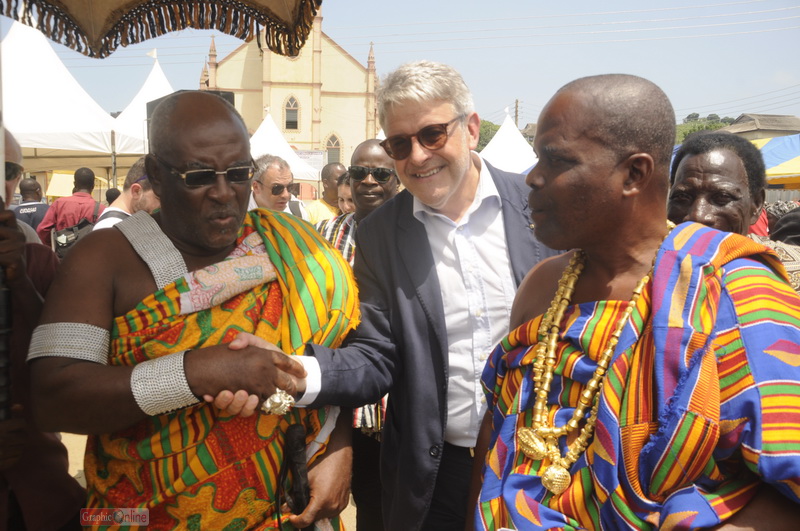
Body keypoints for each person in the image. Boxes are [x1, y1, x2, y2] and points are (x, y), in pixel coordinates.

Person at [469, 74, 800, 530]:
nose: (533, 176)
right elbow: (497, 437)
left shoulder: (734, 288)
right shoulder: (543, 286)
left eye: (557, 160)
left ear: (635, 174)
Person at [27, 91, 359, 529]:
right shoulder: (104, 259)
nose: (224, 194)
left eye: (239, 174)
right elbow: (52, 397)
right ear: (156, 177)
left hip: (288, 510)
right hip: (137, 515)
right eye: (200, 176)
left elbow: (348, 361)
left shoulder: (291, 248)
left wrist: (339, 444)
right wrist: (195, 372)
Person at [280, 60, 556, 530]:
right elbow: (375, 355)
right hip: (436, 477)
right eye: (400, 144)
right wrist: (290, 370)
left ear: (470, 129)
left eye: (432, 135)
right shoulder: (380, 235)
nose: (419, 156)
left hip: (544, 467)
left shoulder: (540, 206)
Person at [1, 130, 85, 531]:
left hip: (45, 494)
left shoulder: (36, 262)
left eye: (7, 169)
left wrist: (19, 282)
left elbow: (67, 363)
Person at [315, 138, 399, 530]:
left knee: (392, 505)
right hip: (341, 400)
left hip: (397, 401)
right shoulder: (322, 236)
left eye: (380, 173)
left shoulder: (415, 235)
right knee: (354, 497)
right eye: (358, 173)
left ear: (396, 178)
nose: (368, 181)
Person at [668, 131, 800, 291]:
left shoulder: (788, 277)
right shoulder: (642, 276)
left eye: (722, 197)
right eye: (682, 197)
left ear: (756, 204)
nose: (697, 215)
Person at [36, 166, 105, 245]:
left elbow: (42, 230)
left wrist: (53, 245)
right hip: (90, 253)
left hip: (64, 254)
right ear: (93, 185)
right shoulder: (101, 209)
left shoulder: (59, 203)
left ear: (74, 184)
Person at [93, 157, 161, 231]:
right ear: (136, 191)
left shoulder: (120, 225)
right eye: (158, 198)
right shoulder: (110, 227)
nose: (160, 205)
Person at [251, 154, 310, 221]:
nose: (286, 195)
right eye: (277, 188)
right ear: (256, 187)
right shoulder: (239, 215)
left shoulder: (298, 213)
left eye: (290, 187)